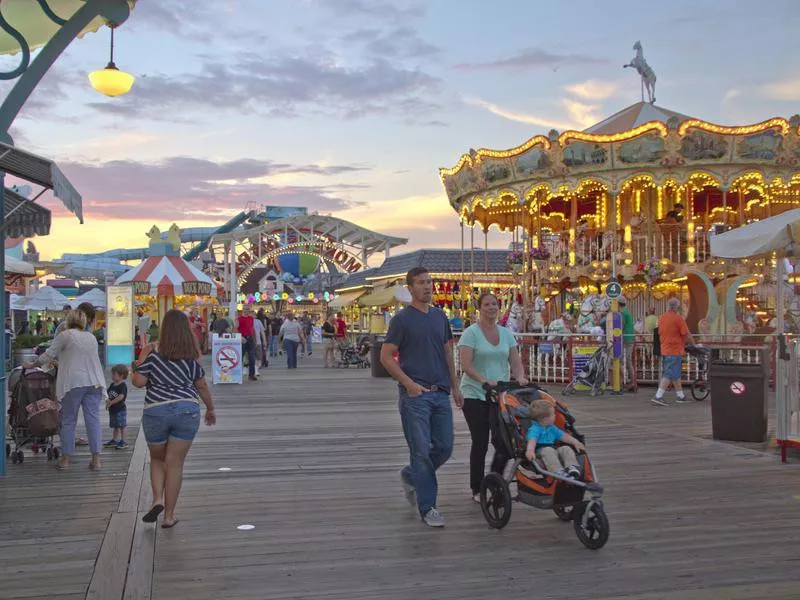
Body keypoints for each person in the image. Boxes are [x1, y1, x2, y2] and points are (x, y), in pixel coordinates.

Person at [380, 267, 463, 528]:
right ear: (411, 288)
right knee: (421, 451)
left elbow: (448, 353)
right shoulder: (402, 320)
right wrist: (408, 384)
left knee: (445, 447)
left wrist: (455, 385)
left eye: (429, 282)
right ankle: (428, 507)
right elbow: (385, 356)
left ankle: (411, 476)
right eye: (421, 283)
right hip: (415, 395)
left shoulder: (440, 317)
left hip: (440, 392)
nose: (428, 287)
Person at [132, 309, 216, 528]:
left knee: (158, 459)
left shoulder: (150, 350)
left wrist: (138, 369)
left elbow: (139, 382)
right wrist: (210, 409)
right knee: (175, 463)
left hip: (156, 410)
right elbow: (201, 385)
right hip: (186, 410)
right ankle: (169, 516)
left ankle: (157, 499)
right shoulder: (192, 354)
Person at [458, 292, 527, 502]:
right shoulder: (471, 333)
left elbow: (515, 361)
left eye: (494, 304)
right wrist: (484, 380)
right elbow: (466, 365)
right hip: (475, 393)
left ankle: (495, 480)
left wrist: (521, 377)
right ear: (480, 308)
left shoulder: (506, 334)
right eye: (487, 304)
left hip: (501, 395)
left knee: (504, 442)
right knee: (480, 441)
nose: (491, 308)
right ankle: (477, 487)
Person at [24, 309, 106, 471]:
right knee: (93, 420)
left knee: (68, 420)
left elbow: (48, 355)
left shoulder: (65, 335)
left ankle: (65, 460)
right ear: (83, 321)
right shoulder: (91, 337)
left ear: (69, 320)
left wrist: (31, 365)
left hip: (73, 383)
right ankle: (96, 460)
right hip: (94, 382)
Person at [525, 399, 585, 477]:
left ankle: (571, 466)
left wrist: (575, 442)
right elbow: (532, 440)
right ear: (545, 418)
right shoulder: (534, 429)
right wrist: (530, 451)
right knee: (548, 450)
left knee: (565, 448)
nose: (555, 415)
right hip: (540, 451)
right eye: (553, 414)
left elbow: (564, 437)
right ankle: (557, 471)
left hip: (554, 449)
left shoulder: (552, 428)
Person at [653, 297, 696, 406]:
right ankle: (658, 395)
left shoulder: (662, 318)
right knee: (669, 373)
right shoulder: (678, 319)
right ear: (677, 307)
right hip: (675, 349)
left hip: (665, 348)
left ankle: (680, 395)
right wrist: (693, 344)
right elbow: (686, 334)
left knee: (675, 374)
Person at [104, 364, 129, 449]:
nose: (112, 376)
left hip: (120, 409)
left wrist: (112, 402)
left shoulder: (122, 385)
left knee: (122, 425)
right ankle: (114, 440)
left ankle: (123, 441)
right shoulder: (112, 385)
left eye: (114, 374)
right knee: (116, 426)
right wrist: (107, 401)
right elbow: (107, 394)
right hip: (113, 410)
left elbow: (121, 396)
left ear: (121, 375)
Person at [619, 296, 637, 392]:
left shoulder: (622, 313)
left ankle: (621, 382)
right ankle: (632, 381)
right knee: (628, 360)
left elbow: (620, 326)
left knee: (620, 360)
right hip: (630, 337)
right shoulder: (627, 311)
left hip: (624, 338)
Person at [235, 305, 258, 381]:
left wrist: (255, 339)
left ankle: (251, 375)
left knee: (252, 357)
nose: (247, 311)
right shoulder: (239, 318)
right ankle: (237, 375)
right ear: (243, 310)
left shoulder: (251, 318)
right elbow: (235, 329)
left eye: (248, 309)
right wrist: (240, 337)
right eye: (245, 309)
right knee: (240, 357)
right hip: (242, 339)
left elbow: (252, 329)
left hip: (250, 338)